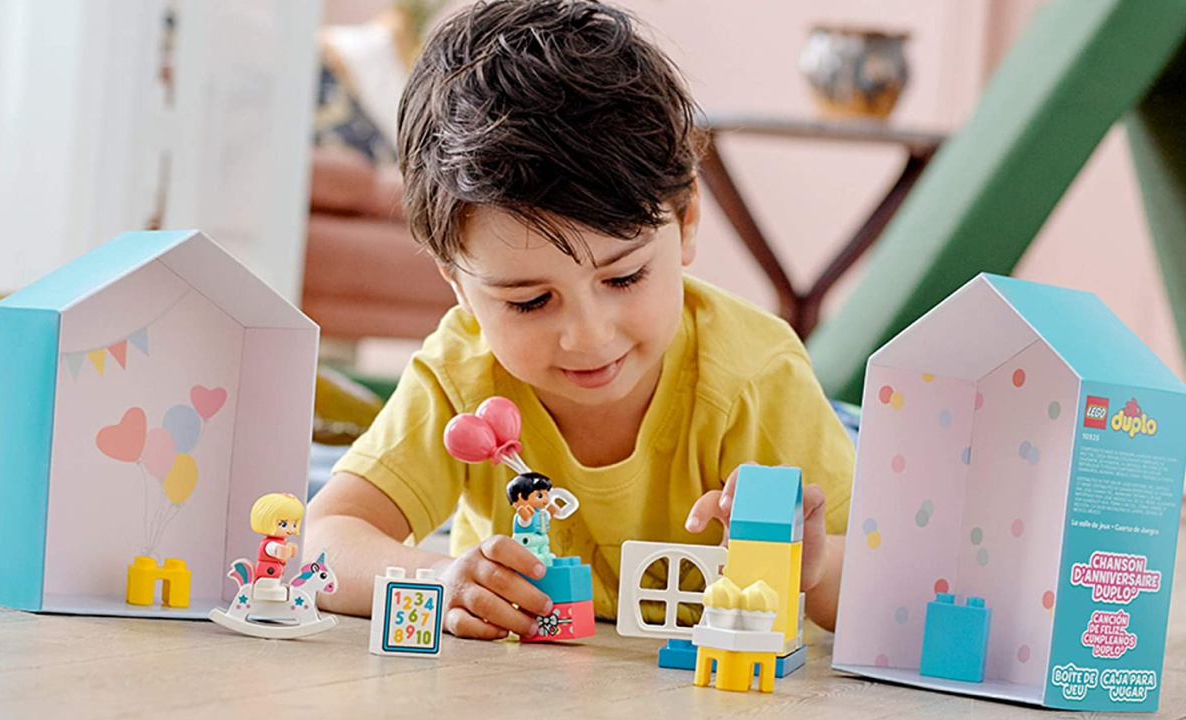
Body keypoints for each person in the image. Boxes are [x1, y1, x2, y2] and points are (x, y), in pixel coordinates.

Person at [307, 0, 855, 639]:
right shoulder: (462, 374)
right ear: (455, 281)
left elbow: (881, 584)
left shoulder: (755, 376)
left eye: (624, 278)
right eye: (529, 302)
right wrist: (439, 579)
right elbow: (320, 544)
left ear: (686, 222)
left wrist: (813, 568)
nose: (589, 336)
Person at [249, 492, 304, 601]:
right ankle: (265, 592)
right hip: (267, 576)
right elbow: (273, 549)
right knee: (273, 584)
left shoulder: (282, 542)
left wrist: (291, 549)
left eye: (293, 524)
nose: (290, 529)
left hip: (277, 574)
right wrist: (281, 550)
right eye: (283, 524)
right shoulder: (269, 543)